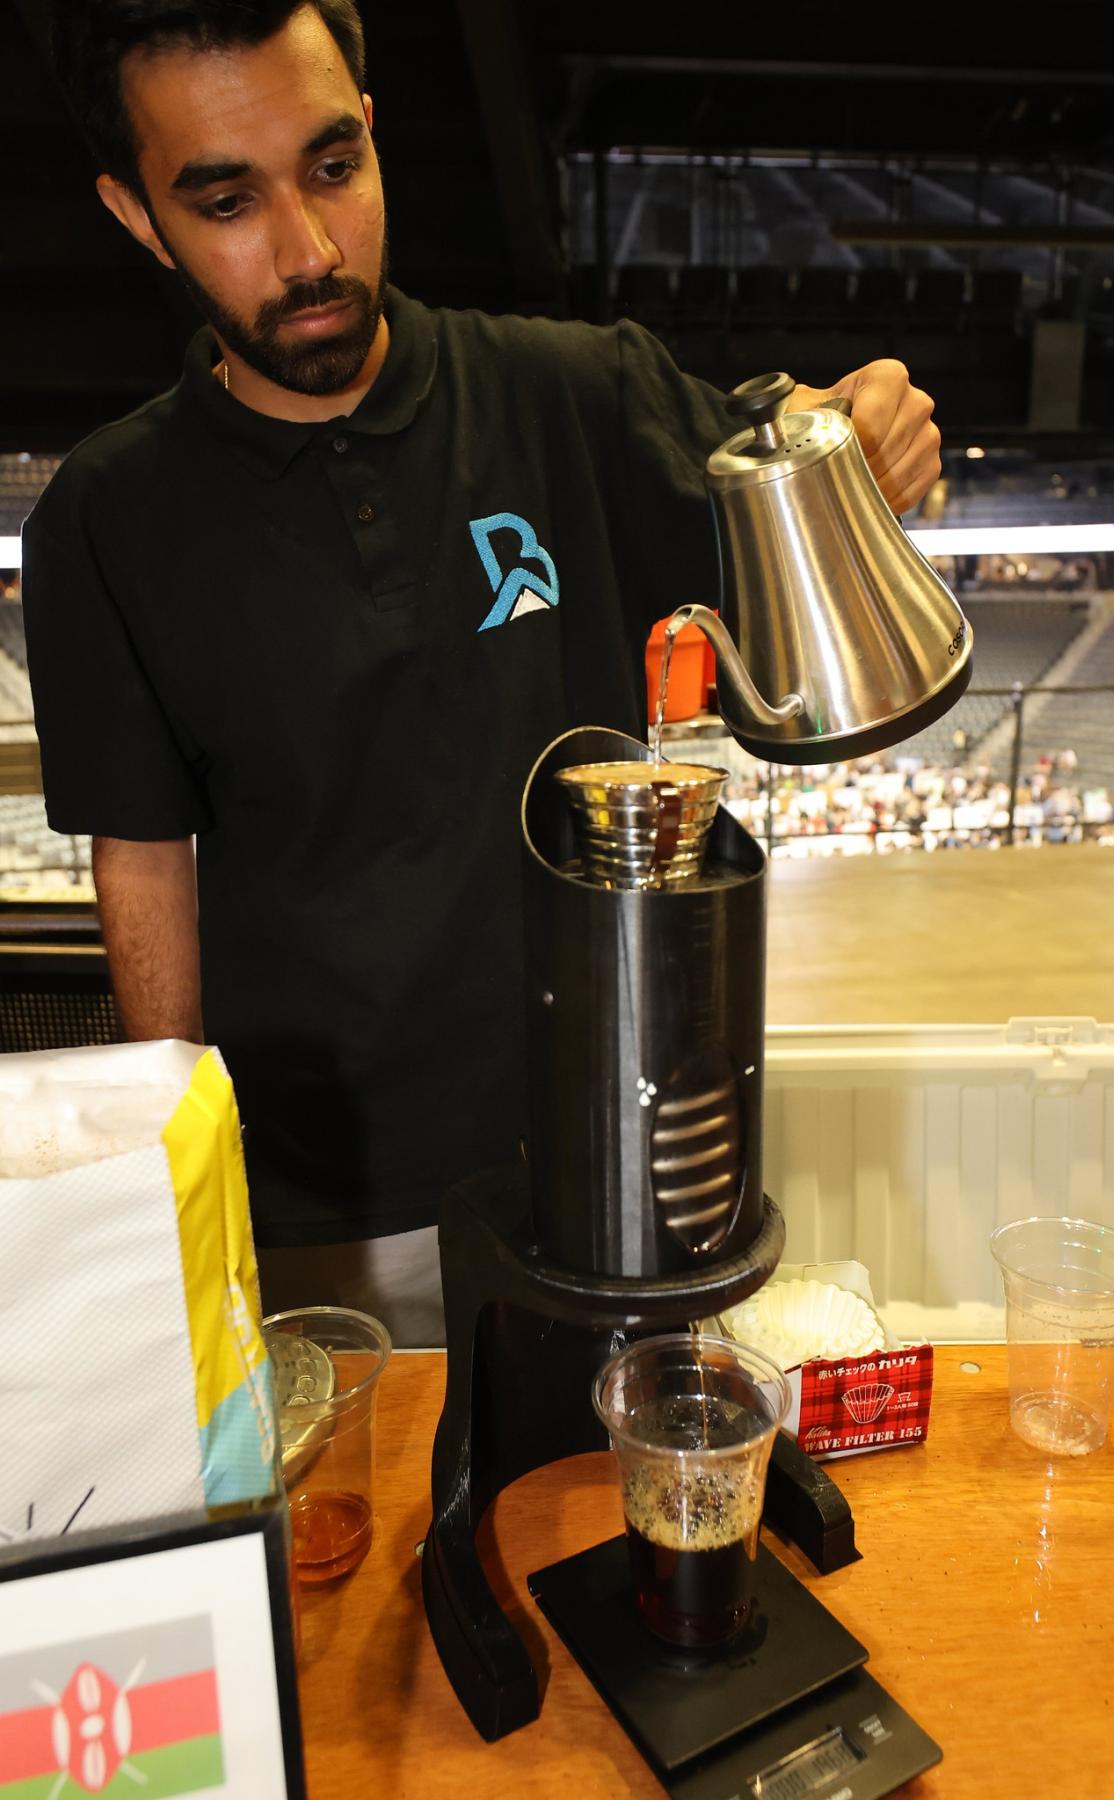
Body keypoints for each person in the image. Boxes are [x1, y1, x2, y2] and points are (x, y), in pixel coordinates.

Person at [23, 0, 942, 1343]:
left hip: (600, 1169)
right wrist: (186, 1186)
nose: (311, 247)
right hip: (315, 1218)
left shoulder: (579, 392)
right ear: (136, 214)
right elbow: (144, 862)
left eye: (333, 166)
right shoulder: (106, 519)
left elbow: (798, 530)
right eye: (226, 200)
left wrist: (871, 445)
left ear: (375, 138)